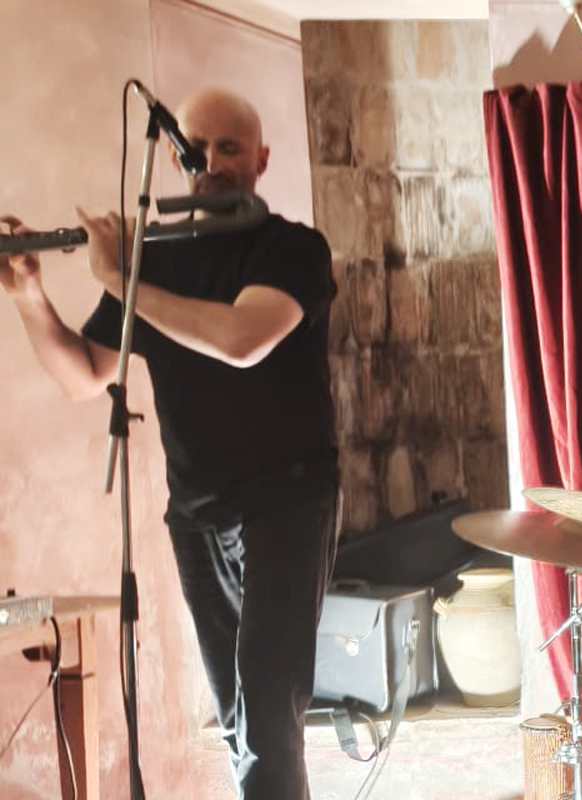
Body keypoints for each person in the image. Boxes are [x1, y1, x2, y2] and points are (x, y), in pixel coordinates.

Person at [1, 88, 337, 798]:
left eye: (228, 148)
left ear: (261, 160)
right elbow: (83, 375)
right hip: (196, 513)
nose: (209, 163)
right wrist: (30, 294)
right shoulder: (155, 263)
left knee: (268, 713)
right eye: (196, 149)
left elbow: (242, 340)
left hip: (287, 504)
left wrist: (119, 278)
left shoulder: (293, 249)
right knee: (236, 722)